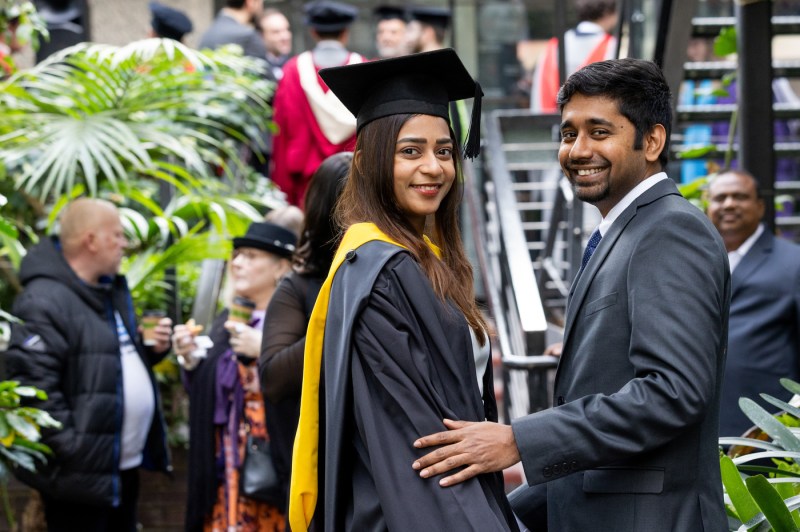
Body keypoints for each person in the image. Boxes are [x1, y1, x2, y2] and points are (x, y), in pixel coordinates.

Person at [412, 58, 730, 531]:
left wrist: (519, 440)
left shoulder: (670, 232)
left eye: (599, 132)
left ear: (653, 141)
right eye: (567, 134)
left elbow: (674, 394)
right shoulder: (620, 233)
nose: (577, 150)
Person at [289, 48, 516, 532]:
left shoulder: (425, 260)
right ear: (367, 161)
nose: (433, 167)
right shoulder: (382, 271)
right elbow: (422, 447)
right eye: (410, 151)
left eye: (444, 150)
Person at [4, 198, 173, 532]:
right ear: (91, 240)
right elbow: (36, 390)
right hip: (79, 481)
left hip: (119, 469)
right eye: (117, 235)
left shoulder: (107, 291)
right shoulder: (43, 300)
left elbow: (103, 364)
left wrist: (150, 352)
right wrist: (77, 449)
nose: (125, 244)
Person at [174, 221, 296, 532]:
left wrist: (266, 353)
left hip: (274, 455)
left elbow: (312, 385)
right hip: (224, 455)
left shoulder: (295, 321)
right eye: (237, 255)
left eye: (251, 256)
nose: (237, 263)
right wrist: (191, 358)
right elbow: (210, 387)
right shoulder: (225, 320)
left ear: (281, 267)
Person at [259, 151, 351, 517]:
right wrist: (339, 304)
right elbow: (273, 378)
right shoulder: (298, 289)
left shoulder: (396, 272)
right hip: (318, 467)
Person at [706, 169, 800, 438]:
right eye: (720, 198)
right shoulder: (693, 263)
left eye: (740, 197)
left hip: (766, 430)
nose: (729, 204)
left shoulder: (793, 263)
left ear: (760, 206)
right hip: (697, 427)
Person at [270, 0, 363, 208]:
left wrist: (284, 192)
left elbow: (281, 135)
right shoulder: (364, 70)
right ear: (345, 32)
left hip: (307, 187)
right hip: (355, 183)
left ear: (313, 32)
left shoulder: (292, 72)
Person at [529, 0, 618, 113]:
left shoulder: (554, 45)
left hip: (555, 121)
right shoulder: (612, 46)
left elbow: (540, 96)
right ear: (608, 12)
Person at [199, 0, 266, 59]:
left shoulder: (209, 33)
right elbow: (264, 71)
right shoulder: (248, 35)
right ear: (250, 2)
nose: (261, 8)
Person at [260, 8, 292, 81]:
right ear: (262, 36)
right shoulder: (258, 68)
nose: (285, 36)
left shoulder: (297, 65)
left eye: (287, 29)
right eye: (276, 32)